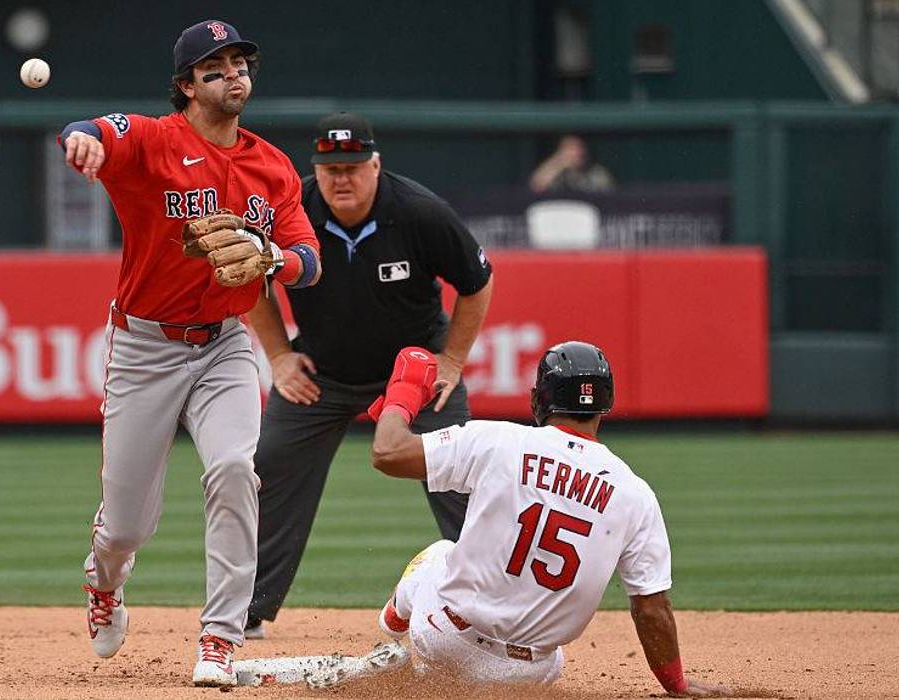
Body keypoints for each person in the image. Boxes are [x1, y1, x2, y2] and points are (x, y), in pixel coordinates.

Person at [56, 19, 321, 687]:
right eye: (215, 68)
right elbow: (91, 129)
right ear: (185, 86)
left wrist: (273, 258)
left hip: (224, 345)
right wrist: (81, 141)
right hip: (144, 346)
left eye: (240, 65)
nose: (233, 76)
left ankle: (221, 638)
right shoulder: (153, 141)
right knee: (125, 526)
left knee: (234, 469)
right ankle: (104, 581)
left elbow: (310, 260)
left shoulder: (271, 166)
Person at [245, 112, 494, 638]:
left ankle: (488, 607)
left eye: (354, 166)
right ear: (315, 169)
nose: (342, 178)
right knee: (270, 469)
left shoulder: (419, 212)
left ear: (376, 165)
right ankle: (247, 608)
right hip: (323, 372)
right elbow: (252, 280)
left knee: (460, 477)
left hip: (417, 371)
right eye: (331, 168)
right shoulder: (290, 209)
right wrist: (279, 356)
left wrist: (452, 360)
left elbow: (477, 282)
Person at [364, 343, 731, 696]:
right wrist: (676, 683)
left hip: (446, 639)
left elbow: (388, 453)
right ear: (605, 405)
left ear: (537, 398)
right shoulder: (636, 494)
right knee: (551, 654)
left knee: (441, 552)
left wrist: (404, 393)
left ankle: (388, 640)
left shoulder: (497, 440)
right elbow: (651, 608)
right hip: (529, 672)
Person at [528, 135, 614, 194]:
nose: (577, 153)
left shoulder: (596, 172)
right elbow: (536, 187)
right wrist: (558, 164)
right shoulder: (554, 170)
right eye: (571, 149)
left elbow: (609, 195)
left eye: (579, 149)